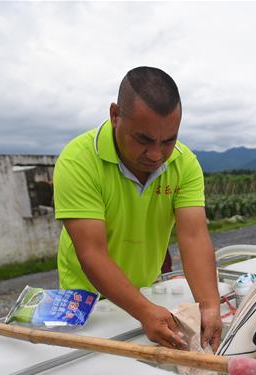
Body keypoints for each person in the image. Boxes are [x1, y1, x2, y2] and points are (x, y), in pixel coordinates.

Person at [53, 67, 221, 350]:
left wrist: (209, 305)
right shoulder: (78, 161)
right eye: (143, 139)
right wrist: (143, 311)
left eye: (168, 141)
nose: (156, 155)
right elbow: (92, 251)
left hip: (146, 291)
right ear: (115, 115)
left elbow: (193, 236)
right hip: (87, 301)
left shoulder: (184, 164)